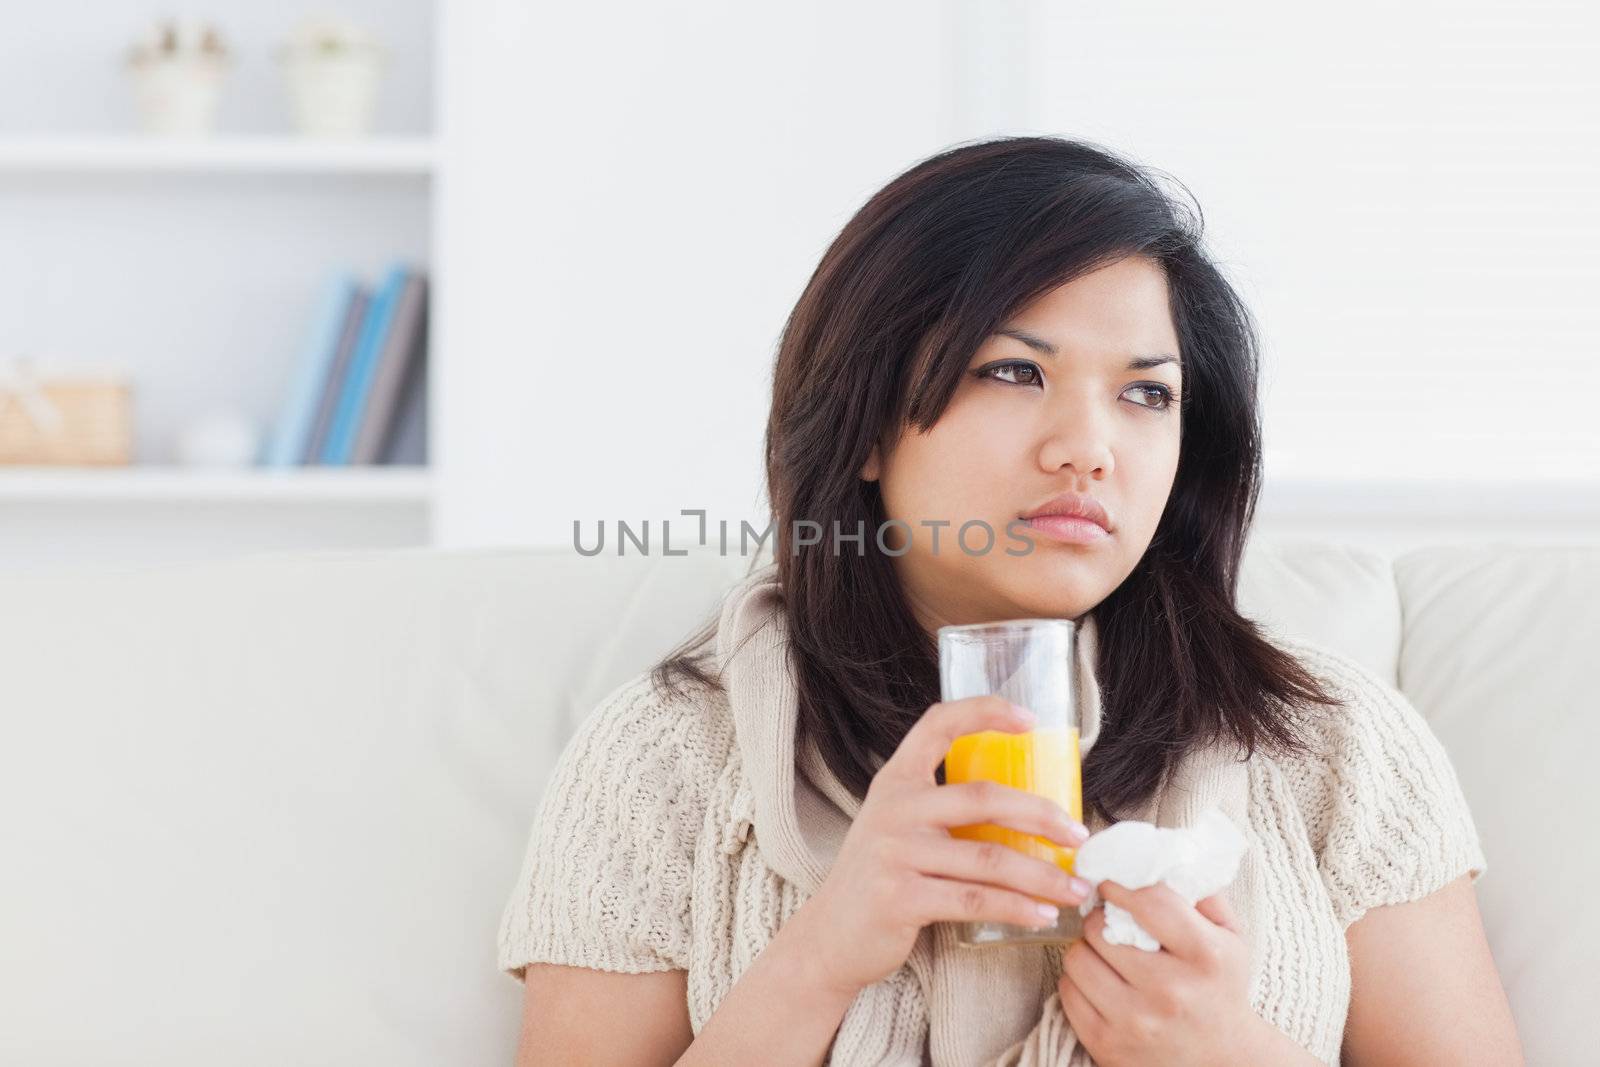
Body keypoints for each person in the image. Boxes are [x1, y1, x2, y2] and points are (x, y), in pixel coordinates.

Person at [496, 136, 1523, 1065]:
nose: (1087, 444)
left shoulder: (1330, 747)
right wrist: (818, 955)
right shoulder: (665, 758)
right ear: (860, 426)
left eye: (1145, 391)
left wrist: (1226, 1051)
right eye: (1013, 370)